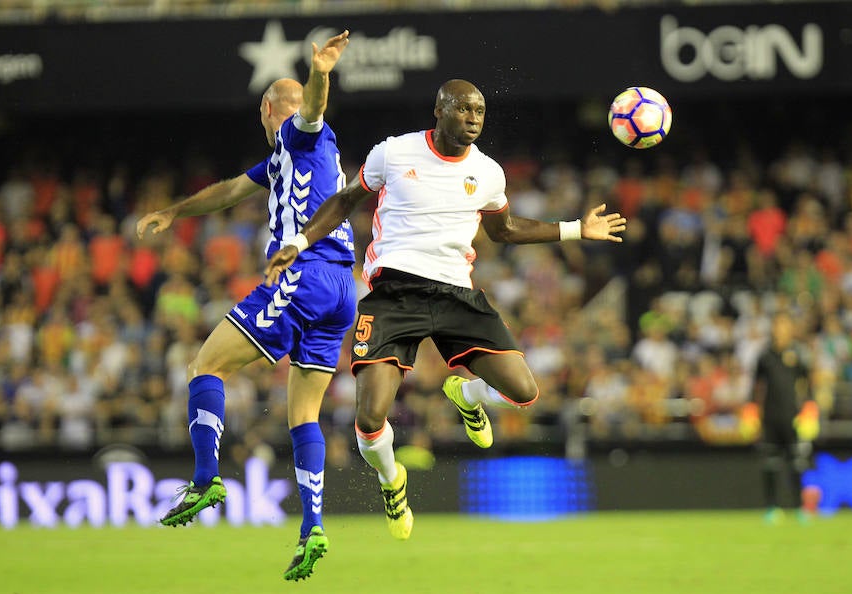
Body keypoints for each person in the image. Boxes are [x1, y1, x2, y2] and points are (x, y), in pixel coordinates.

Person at [263, 79, 627, 540]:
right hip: (393, 294)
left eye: (480, 111)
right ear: (440, 110)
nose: (474, 118)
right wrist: (299, 241)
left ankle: (469, 395)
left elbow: (505, 230)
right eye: (465, 109)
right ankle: (392, 480)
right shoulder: (393, 153)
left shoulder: (489, 173)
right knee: (370, 418)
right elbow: (343, 201)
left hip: (456, 294)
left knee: (525, 392)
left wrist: (576, 229)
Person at [136, 30, 354, 581]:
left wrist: (321, 71)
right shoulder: (284, 158)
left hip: (303, 276)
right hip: (341, 291)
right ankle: (313, 527)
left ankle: (206, 477)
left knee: (203, 365)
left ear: (267, 110)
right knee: (302, 413)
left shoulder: (303, 135)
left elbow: (312, 109)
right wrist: (175, 212)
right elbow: (230, 190)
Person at [752, 311, 813, 524]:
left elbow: (808, 385)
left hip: (792, 418)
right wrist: (752, 413)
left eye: (785, 325)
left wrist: (809, 410)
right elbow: (756, 387)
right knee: (770, 465)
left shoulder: (798, 354)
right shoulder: (765, 356)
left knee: (797, 465)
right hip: (770, 418)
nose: (781, 329)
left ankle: (800, 507)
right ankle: (772, 507)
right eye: (778, 325)